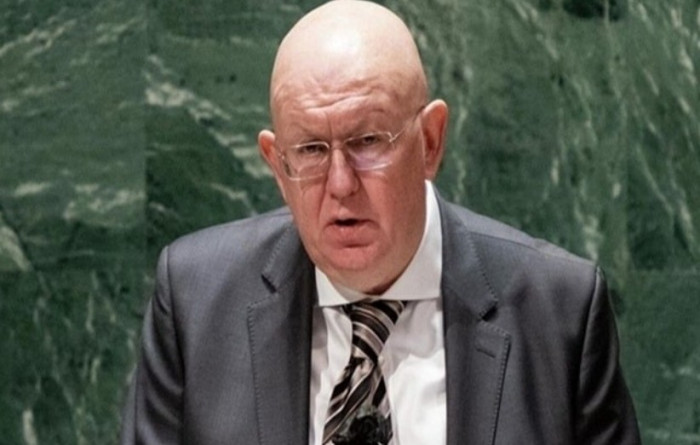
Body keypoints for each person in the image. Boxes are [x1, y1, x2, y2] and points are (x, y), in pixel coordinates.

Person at [120, 1, 641, 444]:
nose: (340, 184)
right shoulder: (195, 302)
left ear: (430, 141)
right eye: (311, 150)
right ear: (278, 165)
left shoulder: (559, 312)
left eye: (368, 141)